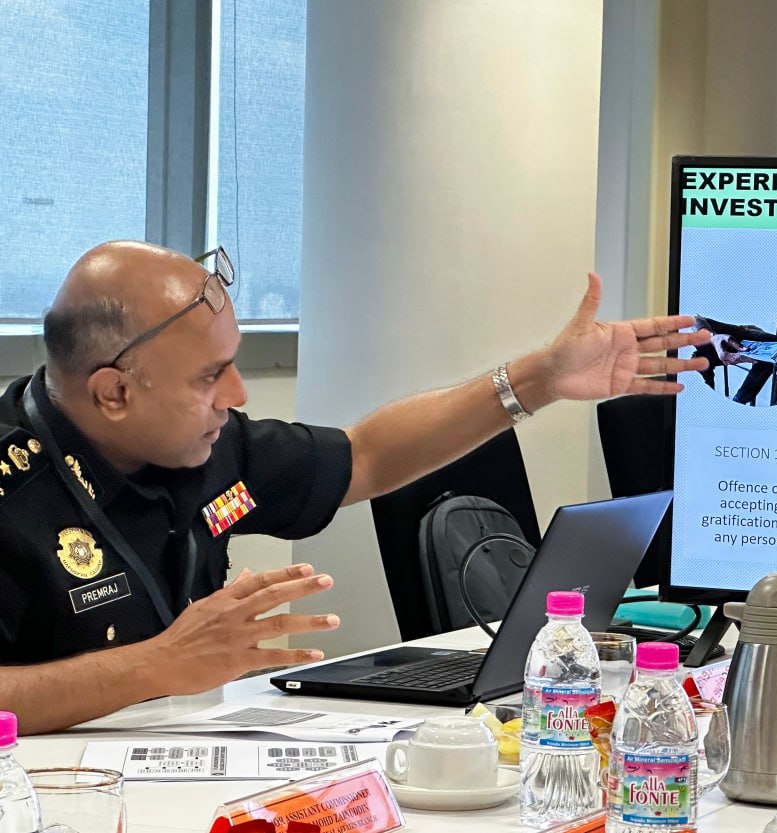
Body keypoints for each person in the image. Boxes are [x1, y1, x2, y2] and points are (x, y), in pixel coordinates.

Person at [0, 240, 710, 734]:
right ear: (114, 393)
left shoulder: (206, 444)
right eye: (211, 376)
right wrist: (157, 665)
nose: (238, 394)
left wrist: (538, 380)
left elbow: (365, 457)